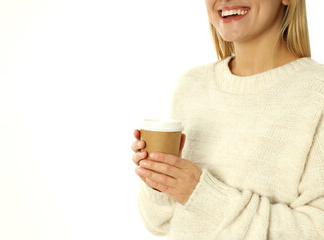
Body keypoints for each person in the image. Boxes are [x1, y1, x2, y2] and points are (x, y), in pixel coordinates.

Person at [131, 0, 324, 239]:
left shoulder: (317, 93)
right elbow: (159, 222)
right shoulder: (192, 85)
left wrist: (202, 195)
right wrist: (158, 179)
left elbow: (317, 230)